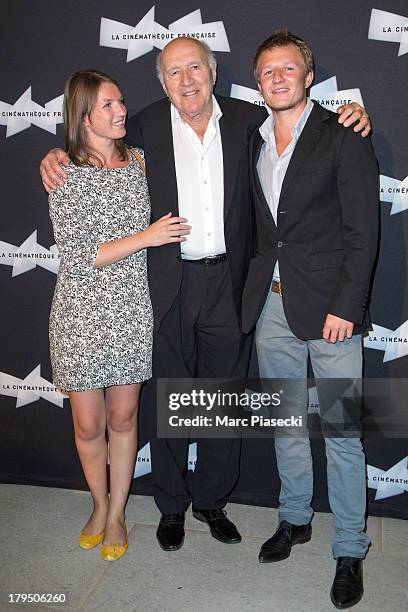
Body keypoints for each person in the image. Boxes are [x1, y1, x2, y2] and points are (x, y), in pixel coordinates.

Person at [40, 38, 371, 553]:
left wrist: (353, 112)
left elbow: (308, 130)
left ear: (213, 72)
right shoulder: (142, 126)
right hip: (167, 283)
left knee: (222, 399)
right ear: (162, 82)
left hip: (231, 284)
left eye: (195, 67)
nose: (187, 80)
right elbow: (90, 146)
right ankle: (171, 505)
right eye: (174, 72)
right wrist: (55, 152)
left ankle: (212, 501)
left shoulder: (248, 121)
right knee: (173, 397)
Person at [242, 30, 378, 609]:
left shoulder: (342, 134)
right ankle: (295, 518)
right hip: (272, 306)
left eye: (287, 68)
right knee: (286, 423)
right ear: (257, 81)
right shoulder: (252, 139)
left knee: (343, 430)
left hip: (331, 313)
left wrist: (346, 307)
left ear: (308, 74)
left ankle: (349, 546)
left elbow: (362, 230)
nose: (277, 78)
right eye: (267, 70)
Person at [48, 69, 189, 561]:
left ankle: (116, 513)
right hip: (81, 314)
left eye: (121, 101)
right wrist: (147, 237)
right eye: (108, 105)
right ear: (83, 115)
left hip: (131, 309)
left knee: (124, 416)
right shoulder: (64, 172)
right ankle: (98, 501)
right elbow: (78, 254)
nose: (121, 110)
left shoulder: (142, 162)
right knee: (88, 425)